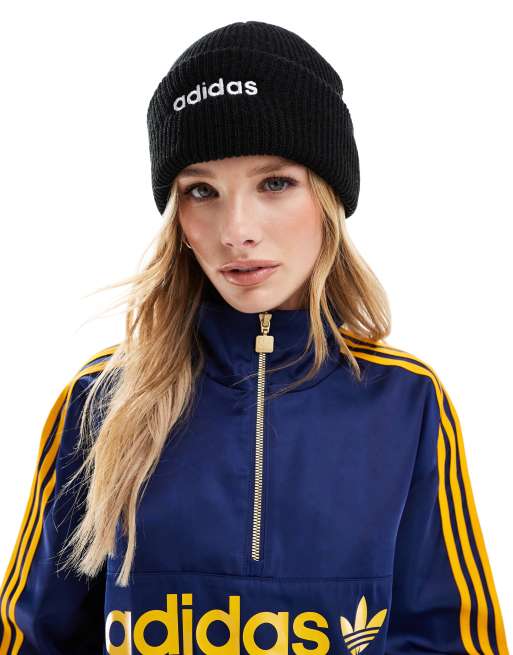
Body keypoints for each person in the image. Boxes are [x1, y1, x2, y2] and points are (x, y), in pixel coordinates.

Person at [0, 19, 508, 655]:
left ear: (327, 198)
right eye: (202, 191)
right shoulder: (100, 400)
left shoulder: (405, 401)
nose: (235, 230)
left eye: (275, 183)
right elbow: (31, 638)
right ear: (178, 218)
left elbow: (451, 639)